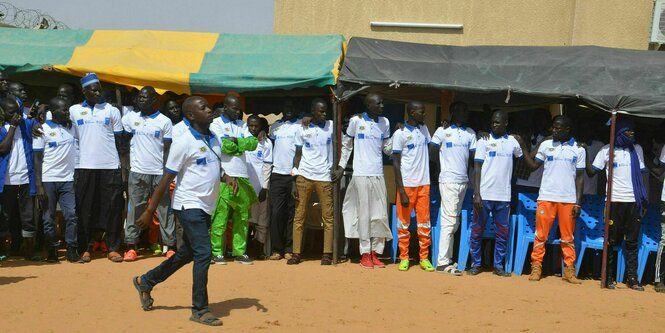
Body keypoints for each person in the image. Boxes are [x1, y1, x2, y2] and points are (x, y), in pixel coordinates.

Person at [132, 96, 235, 327]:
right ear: (190, 115)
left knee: (187, 253)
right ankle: (199, 309)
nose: (210, 110)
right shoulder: (183, 141)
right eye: (204, 108)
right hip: (188, 205)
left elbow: (213, 166)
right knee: (204, 253)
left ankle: (146, 281)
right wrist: (150, 210)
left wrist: (226, 177)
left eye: (209, 107)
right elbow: (166, 179)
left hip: (206, 205)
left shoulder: (213, 138)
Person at [521, 115, 585, 284]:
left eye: (558, 128)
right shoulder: (546, 145)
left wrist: (578, 202)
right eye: (553, 127)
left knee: (568, 236)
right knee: (540, 235)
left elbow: (580, 178)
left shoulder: (579, 149)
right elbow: (533, 166)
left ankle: (569, 270)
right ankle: (536, 267)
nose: (554, 130)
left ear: (567, 130)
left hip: (568, 199)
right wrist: (522, 146)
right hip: (546, 197)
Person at [585, 119, 647, 291]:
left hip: (633, 202)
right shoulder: (607, 150)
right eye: (628, 131)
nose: (632, 133)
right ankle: (608, 276)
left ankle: (633, 278)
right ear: (619, 132)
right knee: (610, 240)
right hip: (613, 201)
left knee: (632, 242)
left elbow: (641, 174)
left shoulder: (637, 150)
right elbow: (592, 172)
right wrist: (584, 152)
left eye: (633, 131)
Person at [70, 73, 125, 262]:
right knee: (85, 209)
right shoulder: (74, 110)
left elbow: (119, 141)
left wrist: (121, 168)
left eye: (99, 88)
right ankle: (85, 247)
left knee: (112, 207)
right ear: (84, 91)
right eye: (93, 89)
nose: (97, 92)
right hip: (84, 166)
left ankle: (113, 248)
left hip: (110, 166)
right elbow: (72, 137)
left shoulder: (112, 110)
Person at [334, 93, 393, 269]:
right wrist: (341, 167)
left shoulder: (385, 122)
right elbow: (347, 145)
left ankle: (376, 252)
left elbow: (387, 149)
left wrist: (399, 135)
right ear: (368, 105)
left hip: (378, 174)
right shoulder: (356, 122)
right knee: (364, 215)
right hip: (360, 174)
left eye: (382, 102)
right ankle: (365, 253)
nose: (382, 106)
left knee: (380, 215)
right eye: (378, 103)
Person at [121, 86, 175, 261]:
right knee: (135, 208)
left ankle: (169, 246)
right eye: (139, 98)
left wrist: (167, 172)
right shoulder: (130, 118)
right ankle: (131, 246)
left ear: (154, 100)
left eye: (145, 98)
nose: (141, 100)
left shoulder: (164, 121)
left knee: (164, 209)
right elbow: (124, 141)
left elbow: (167, 149)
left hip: (159, 172)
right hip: (137, 171)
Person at [468, 110, 521, 276]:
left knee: (502, 233)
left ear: (506, 123)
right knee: (477, 231)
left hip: (504, 196)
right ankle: (476, 264)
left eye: (498, 122)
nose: (494, 125)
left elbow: (520, 156)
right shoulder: (483, 140)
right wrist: (477, 193)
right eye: (492, 122)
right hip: (484, 195)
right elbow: (477, 168)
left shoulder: (512, 141)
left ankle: (498, 266)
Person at [209, 95, 258, 265]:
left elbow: (253, 144)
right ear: (225, 107)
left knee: (242, 216)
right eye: (235, 108)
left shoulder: (242, 125)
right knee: (220, 216)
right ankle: (216, 252)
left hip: (242, 175)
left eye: (239, 109)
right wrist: (240, 145)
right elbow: (224, 146)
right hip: (225, 175)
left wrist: (236, 141)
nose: (238, 112)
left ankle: (239, 251)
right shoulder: (216, 124)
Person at [33, 97, 83, 263]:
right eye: (64, 110)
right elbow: (37, 159)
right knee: (48, 218)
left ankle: (71, 250)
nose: (67, 113)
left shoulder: (71, 128)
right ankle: (52, 250)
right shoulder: (41, 130)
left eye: (67, 109)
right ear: (53, 112)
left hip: (67, 180)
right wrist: (39, 184)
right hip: (48, 181)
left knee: (71, 215)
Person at [429, 101, 476, 275]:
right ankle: (442, 262)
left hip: (463, 181)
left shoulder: (470, 133)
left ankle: (447, 260)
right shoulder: (442, 131)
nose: (464, 113)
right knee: (449, 221)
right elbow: (432, 151)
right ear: (452, 112)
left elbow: (474, 158)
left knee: (454, 221)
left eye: (466, 110)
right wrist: (439, 170)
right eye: (460, 110)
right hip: (448, 181)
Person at [289, 99, 334, 265]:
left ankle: (327, 253)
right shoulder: (302, 128)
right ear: (313, 112)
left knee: (327, 217)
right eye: (320, 111)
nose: (324, 114)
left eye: (325, 111)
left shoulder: (332, 126)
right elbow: (298, 154)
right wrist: (295, 177)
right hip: (304, 175)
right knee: (299, 215)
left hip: (324, 177)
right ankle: (296, 253)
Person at [390, 101, 434, 272]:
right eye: (422, 111)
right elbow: (395, 162)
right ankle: (404, 258)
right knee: (403, 224)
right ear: (412, 113)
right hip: (407, 185)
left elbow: (431, 149)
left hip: (424, 184)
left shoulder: (424, 129)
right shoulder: (400, 133)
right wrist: (401, 190)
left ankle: (424, 258)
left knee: (424, 224)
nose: (424, 114)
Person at [0, 96, 40, 261]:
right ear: (3, 113)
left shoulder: (26, 125)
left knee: (28, 216)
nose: (16, 115)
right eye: (12, 112)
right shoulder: (3, 129)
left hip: (25, 179)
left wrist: (36, 122)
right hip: (6, 181)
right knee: (4, 216)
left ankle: (29, 252)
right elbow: (2, 148)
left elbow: (38, 124)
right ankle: (3, 251)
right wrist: (13, 128)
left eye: (18, 111)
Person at [268, 100, 301, 260]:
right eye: (286, 106)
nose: (289, 109)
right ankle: (276, 249)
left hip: (294, 175)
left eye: (292, 107)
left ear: (296, 109)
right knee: (276, 213)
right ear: (281, 108)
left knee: (292, 213)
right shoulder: (274, 127)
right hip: (277, 174)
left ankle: (289, 248)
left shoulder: (301, 125)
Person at [245, 115, 272, 258]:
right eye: (251, 126)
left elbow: (267, 166)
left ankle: (260, 249)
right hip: (245, 188)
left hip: (260, 188)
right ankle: (243, 249)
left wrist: (265, 187)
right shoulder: (242, 138)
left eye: (256, 126)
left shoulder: (266, 143)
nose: (253, 129)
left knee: (262, 222)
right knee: (246, 221)